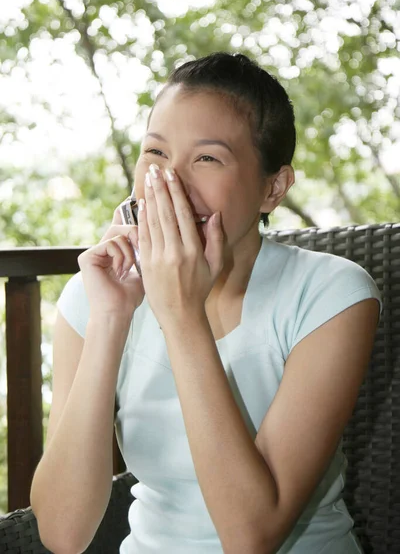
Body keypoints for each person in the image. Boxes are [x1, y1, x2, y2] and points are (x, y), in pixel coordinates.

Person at [30, 52, 381, 554]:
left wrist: (181, 314)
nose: (168, 181)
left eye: (207, 158)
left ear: (273, 187)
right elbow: (63, 535)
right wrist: (110, 317)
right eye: (155, 153)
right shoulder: (95, 298)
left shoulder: (332, 295)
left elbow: (250, 538)